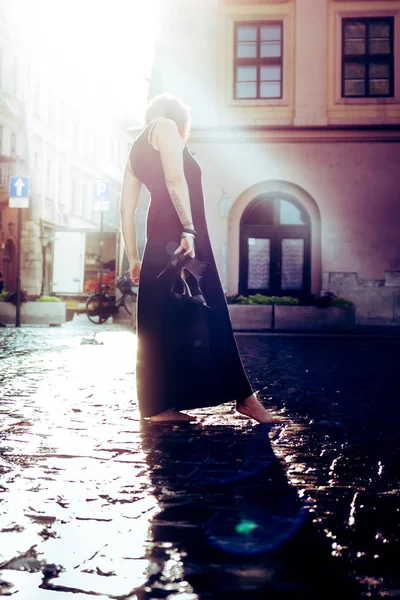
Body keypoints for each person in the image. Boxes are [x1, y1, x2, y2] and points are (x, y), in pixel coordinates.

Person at [120, 93, 281, 424]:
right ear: (180, 120)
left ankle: (158, 407)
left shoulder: (135, 149)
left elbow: (126, 208)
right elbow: (175, 179)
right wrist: (189, 228)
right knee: (212, 312)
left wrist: (133, 258)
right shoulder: (165, 127)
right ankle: (246, 400)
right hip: (181, 235)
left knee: (157, 317)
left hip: (157, 237)